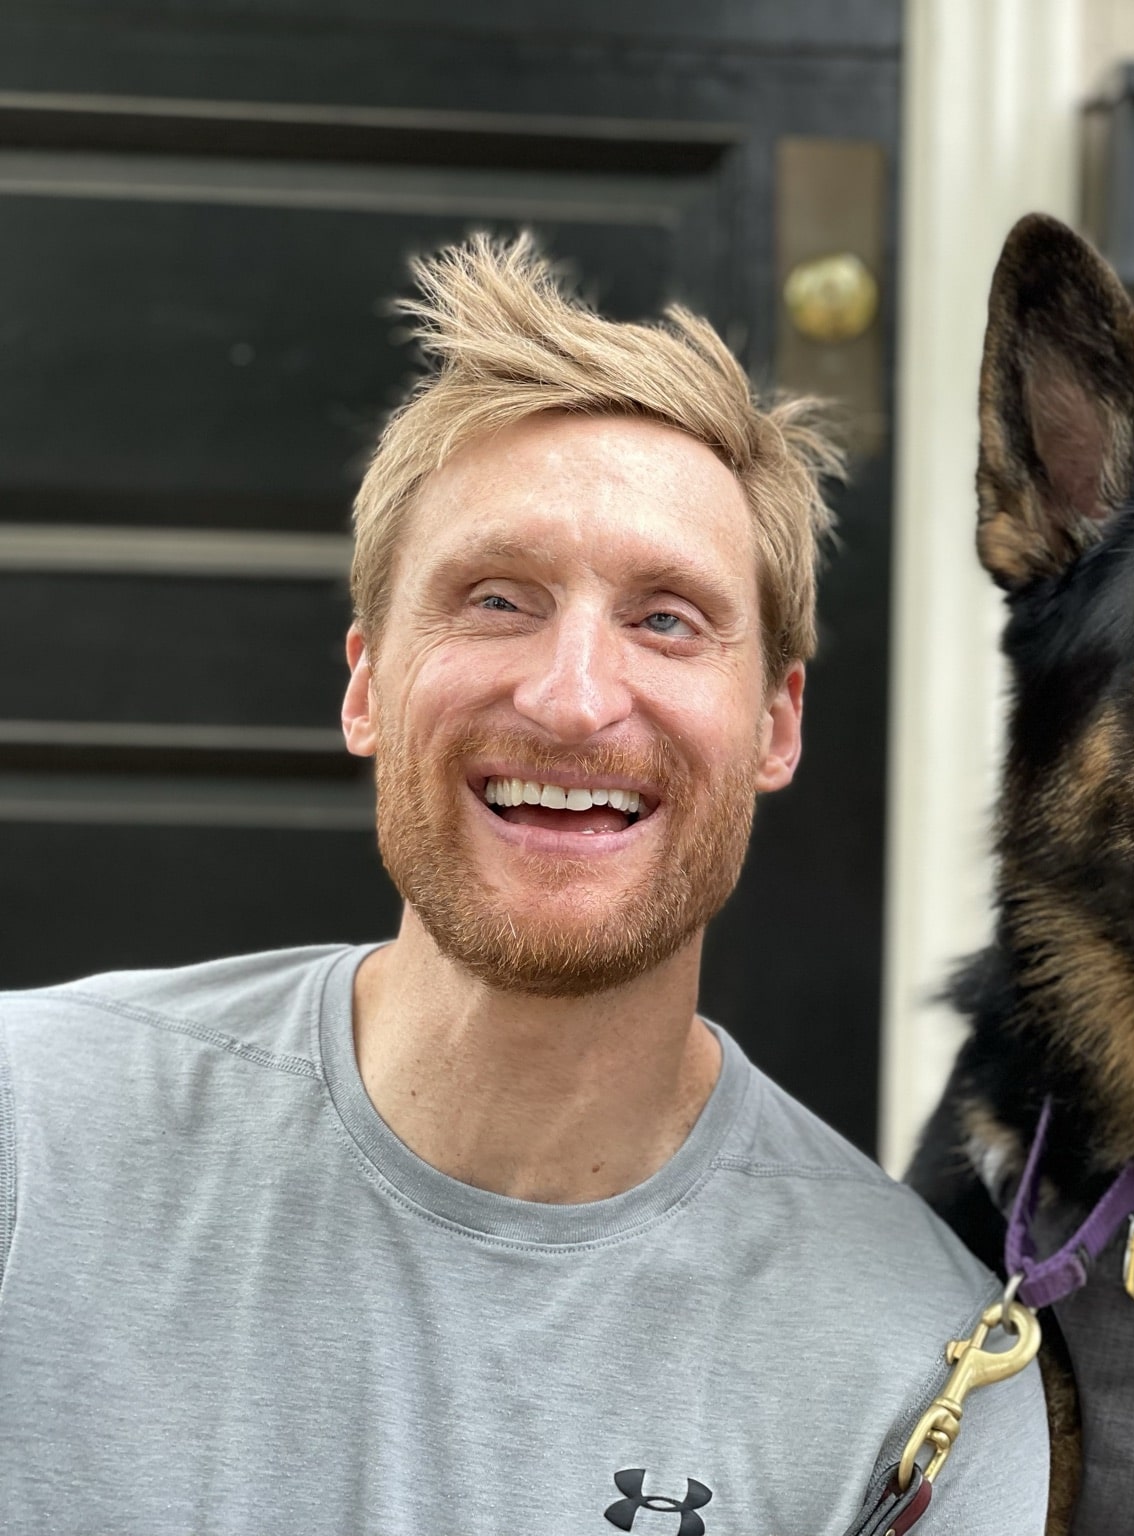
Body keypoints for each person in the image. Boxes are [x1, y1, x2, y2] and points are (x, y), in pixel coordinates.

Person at [0, 234, 1048, 1533]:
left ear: (778, 725)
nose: (571, 698)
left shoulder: (923, 1375)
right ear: (368, 682)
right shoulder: (26, 1141)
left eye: (667, 618)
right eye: (498, 599)